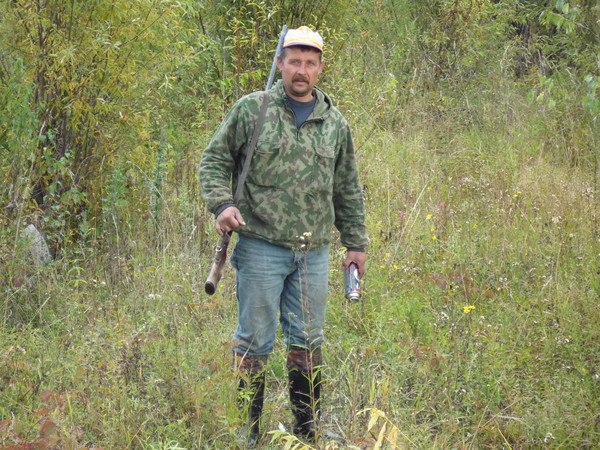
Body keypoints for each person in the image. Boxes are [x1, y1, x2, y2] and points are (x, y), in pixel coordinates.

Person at [199, 26, 368, 445]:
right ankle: (248, 433)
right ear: (280, 63)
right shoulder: (252, 110)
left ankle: (306, 432)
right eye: (294, 61)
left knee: (308, 343)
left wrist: (356, 244)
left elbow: (347, 187)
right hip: (260, 246)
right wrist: (222, 205)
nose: (301, 71)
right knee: (253, 343)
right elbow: (214, 159)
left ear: (320, 68)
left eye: (310, 63)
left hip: (313, 253)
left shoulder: (335, 124)